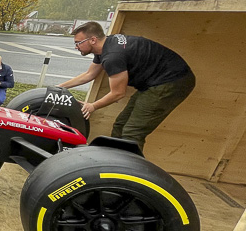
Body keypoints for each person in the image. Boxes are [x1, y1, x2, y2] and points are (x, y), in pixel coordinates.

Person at [57, 21, 195, 151]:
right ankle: (114, 162)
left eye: (78, 43)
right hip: (154, 81)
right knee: (120, 125)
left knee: (132, 133)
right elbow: (89, 74)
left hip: (172, 81)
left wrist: (93, 106)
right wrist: (60, 87)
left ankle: (127, 172)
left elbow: (118, 93)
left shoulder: (113, 56)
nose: (76, 47)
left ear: (93, 40)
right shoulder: (105, 46)